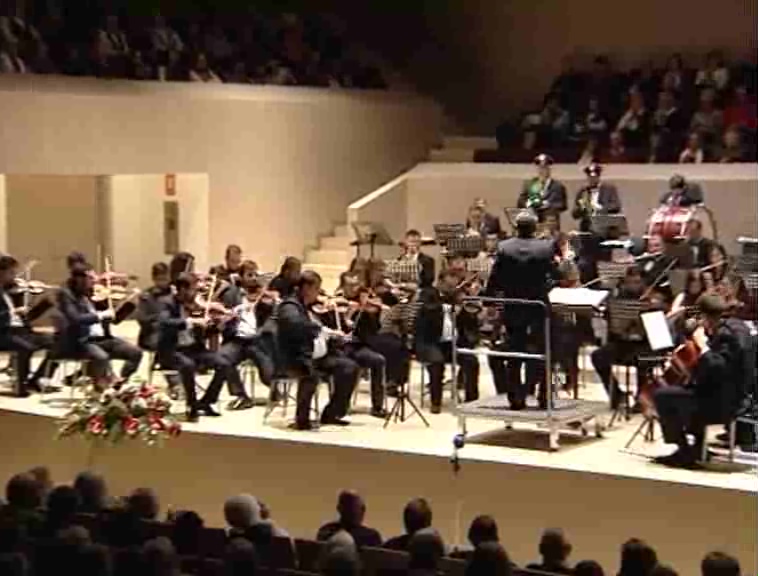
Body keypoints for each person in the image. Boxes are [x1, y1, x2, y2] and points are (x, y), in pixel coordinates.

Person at [653, 293, 751, 467]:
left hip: (724, 404)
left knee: (662, 395)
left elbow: (717, 367)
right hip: (732, 395)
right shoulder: (737, 326)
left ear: (705, 315)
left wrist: (703, 345)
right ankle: (698, 447)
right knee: (690, 389)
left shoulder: (726, 335)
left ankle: (684, 451)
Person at [486, 211, 555, 408]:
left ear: (516, 227)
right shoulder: (546, 247)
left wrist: (490, 300)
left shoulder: (504, 247)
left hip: (513, 306)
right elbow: (553, 276)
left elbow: (495, 278)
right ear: (534, 227)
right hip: (538, 307)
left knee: (515, 353)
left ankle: (515, 398)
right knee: (542, 352)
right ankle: (544, 396)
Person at [276, 271, 358, 430]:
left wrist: (334, 327)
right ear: (306, 288)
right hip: (297, 357)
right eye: (317, 288)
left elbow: (323, 328)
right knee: (310, 375)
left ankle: (331, 413)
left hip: (317, 356)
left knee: (349, 368)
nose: (319, 293)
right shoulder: (289, 306)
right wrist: (323, 329)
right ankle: (302, 420)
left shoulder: (309, 306)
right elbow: (296, 324)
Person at [156, 273, 230, 422]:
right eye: (193, 290)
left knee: (224, 364)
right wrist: (191, 321)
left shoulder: (195, 306)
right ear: (182, 289)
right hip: (173, 351)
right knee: (187, 365)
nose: (196, 294)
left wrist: (218, 326)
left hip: (195, 349)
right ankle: (192, 404)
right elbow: (165, 323)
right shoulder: (166, 303)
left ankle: (206, 402)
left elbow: (204, 332)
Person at [56, 264, 143, 388]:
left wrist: (129, 305)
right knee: (101, 358)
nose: (95, 280)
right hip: (83, 341)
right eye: (91, 278)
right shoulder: (67, 296)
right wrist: (100, 315)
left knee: (135, 352)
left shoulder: (95, 295)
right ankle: (99, 389)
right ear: (79, 279)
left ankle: (120, 383)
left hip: (103, 339)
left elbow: (114, 319)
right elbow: (75, 319)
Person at [415, 270, 480, 413]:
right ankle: (435, 402)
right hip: (430, 342)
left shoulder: (458, 298)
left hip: (452, 343)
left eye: (455, 283)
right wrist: (448, 308)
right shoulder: (427, 294)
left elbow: (470, 321)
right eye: (450, 283)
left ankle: (472, 401)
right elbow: (427, 312)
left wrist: (468, 303)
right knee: (437, 363)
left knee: (471, 361)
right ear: (440, 281)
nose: (453, 286)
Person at [218, 262, 276, 410]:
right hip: (237, 340)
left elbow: (273, 317)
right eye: (250, 275)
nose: (254, 278)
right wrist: (226, 317)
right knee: (222, 357)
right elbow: (220, 312)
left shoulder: (264, 296)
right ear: (241, 277)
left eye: (256, 275)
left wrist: (264, 328)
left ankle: (276, 389)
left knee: (268, 375)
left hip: (257, 341)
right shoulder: (231, 294)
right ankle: (241, 396)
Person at [591, 266, 648, 409]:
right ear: (625, 282)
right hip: (622, 344)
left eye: (637, 283)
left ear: (642, 283)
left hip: (645, 344)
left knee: (645, 361)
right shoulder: (618, 298)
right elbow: (613, 327)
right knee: (598, 356)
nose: (634, 286)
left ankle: (642, 400)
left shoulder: (649, 298)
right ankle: (617, 396)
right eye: (631, 283)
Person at [0, 255, 55, 396]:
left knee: (59, 341)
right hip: (4, 333)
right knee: (25, 347)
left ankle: (38, 378)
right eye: (11, 272)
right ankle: (20, 386)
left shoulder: (8, 290)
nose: (15, 276)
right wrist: (14, 311)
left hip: (20, 331)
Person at [337, 274, 387, 417]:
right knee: (346, 365)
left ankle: (377, 407)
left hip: (358, 347)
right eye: (350, 285)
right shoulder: (338, 302)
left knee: (378, 360)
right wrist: (346, 317)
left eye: (356, 284)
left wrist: (373, 314)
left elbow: (374, 330)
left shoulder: (363, 307)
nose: (355, 288)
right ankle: (341, 405)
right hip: (341, 347)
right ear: (342, 286)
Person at [316, 490, 382, 547]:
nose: (360, 512)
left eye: (361, 509)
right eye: (350, 508)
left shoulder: (371, 536)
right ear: (339, 509)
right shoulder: (327, 531)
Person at [518, 154, 567, 227]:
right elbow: (521, 201)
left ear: (549, 169)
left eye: (544, 168)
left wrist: (548, 205)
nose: (542, 170)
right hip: (532, 222)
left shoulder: (558, 186)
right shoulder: (530, 184)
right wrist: (529, 204)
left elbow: (562, 204)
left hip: (549, 223)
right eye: (540, 168)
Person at [572, 163, 621, 233]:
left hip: (605, 225)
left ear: (598, 177)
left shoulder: (609, 189)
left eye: (594, 177)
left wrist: (600, 209)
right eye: (590, 177)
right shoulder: (583, 191)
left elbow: (616, 206)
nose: (592, 179)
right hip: (587, 226)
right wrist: (582, 207)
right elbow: (574, 214)